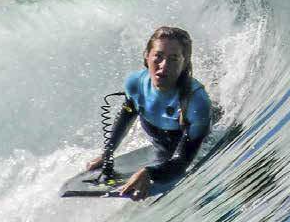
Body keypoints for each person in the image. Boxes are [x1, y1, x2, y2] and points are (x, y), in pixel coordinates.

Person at [86, 26, 212, 201]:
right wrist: (108, 152)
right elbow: (127, 114)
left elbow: (183, 162)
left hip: (195, 147)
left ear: (185, 62)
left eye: (174, 59)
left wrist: (149, 173)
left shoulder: (196, 101)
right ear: (147, 55)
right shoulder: (135, 84)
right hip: (162, 149)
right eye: (158, 56)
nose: (164, 66)